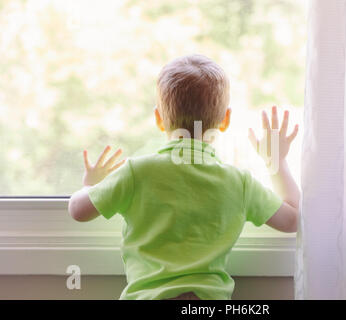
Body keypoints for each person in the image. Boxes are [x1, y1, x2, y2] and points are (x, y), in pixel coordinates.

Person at [68, 54, 300, 300]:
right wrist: (275, 161)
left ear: (158, 118)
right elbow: (293, 220)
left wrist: (91, 185)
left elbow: (77, 211)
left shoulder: (136, 172)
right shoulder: (239, 182)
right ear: (225, 120)